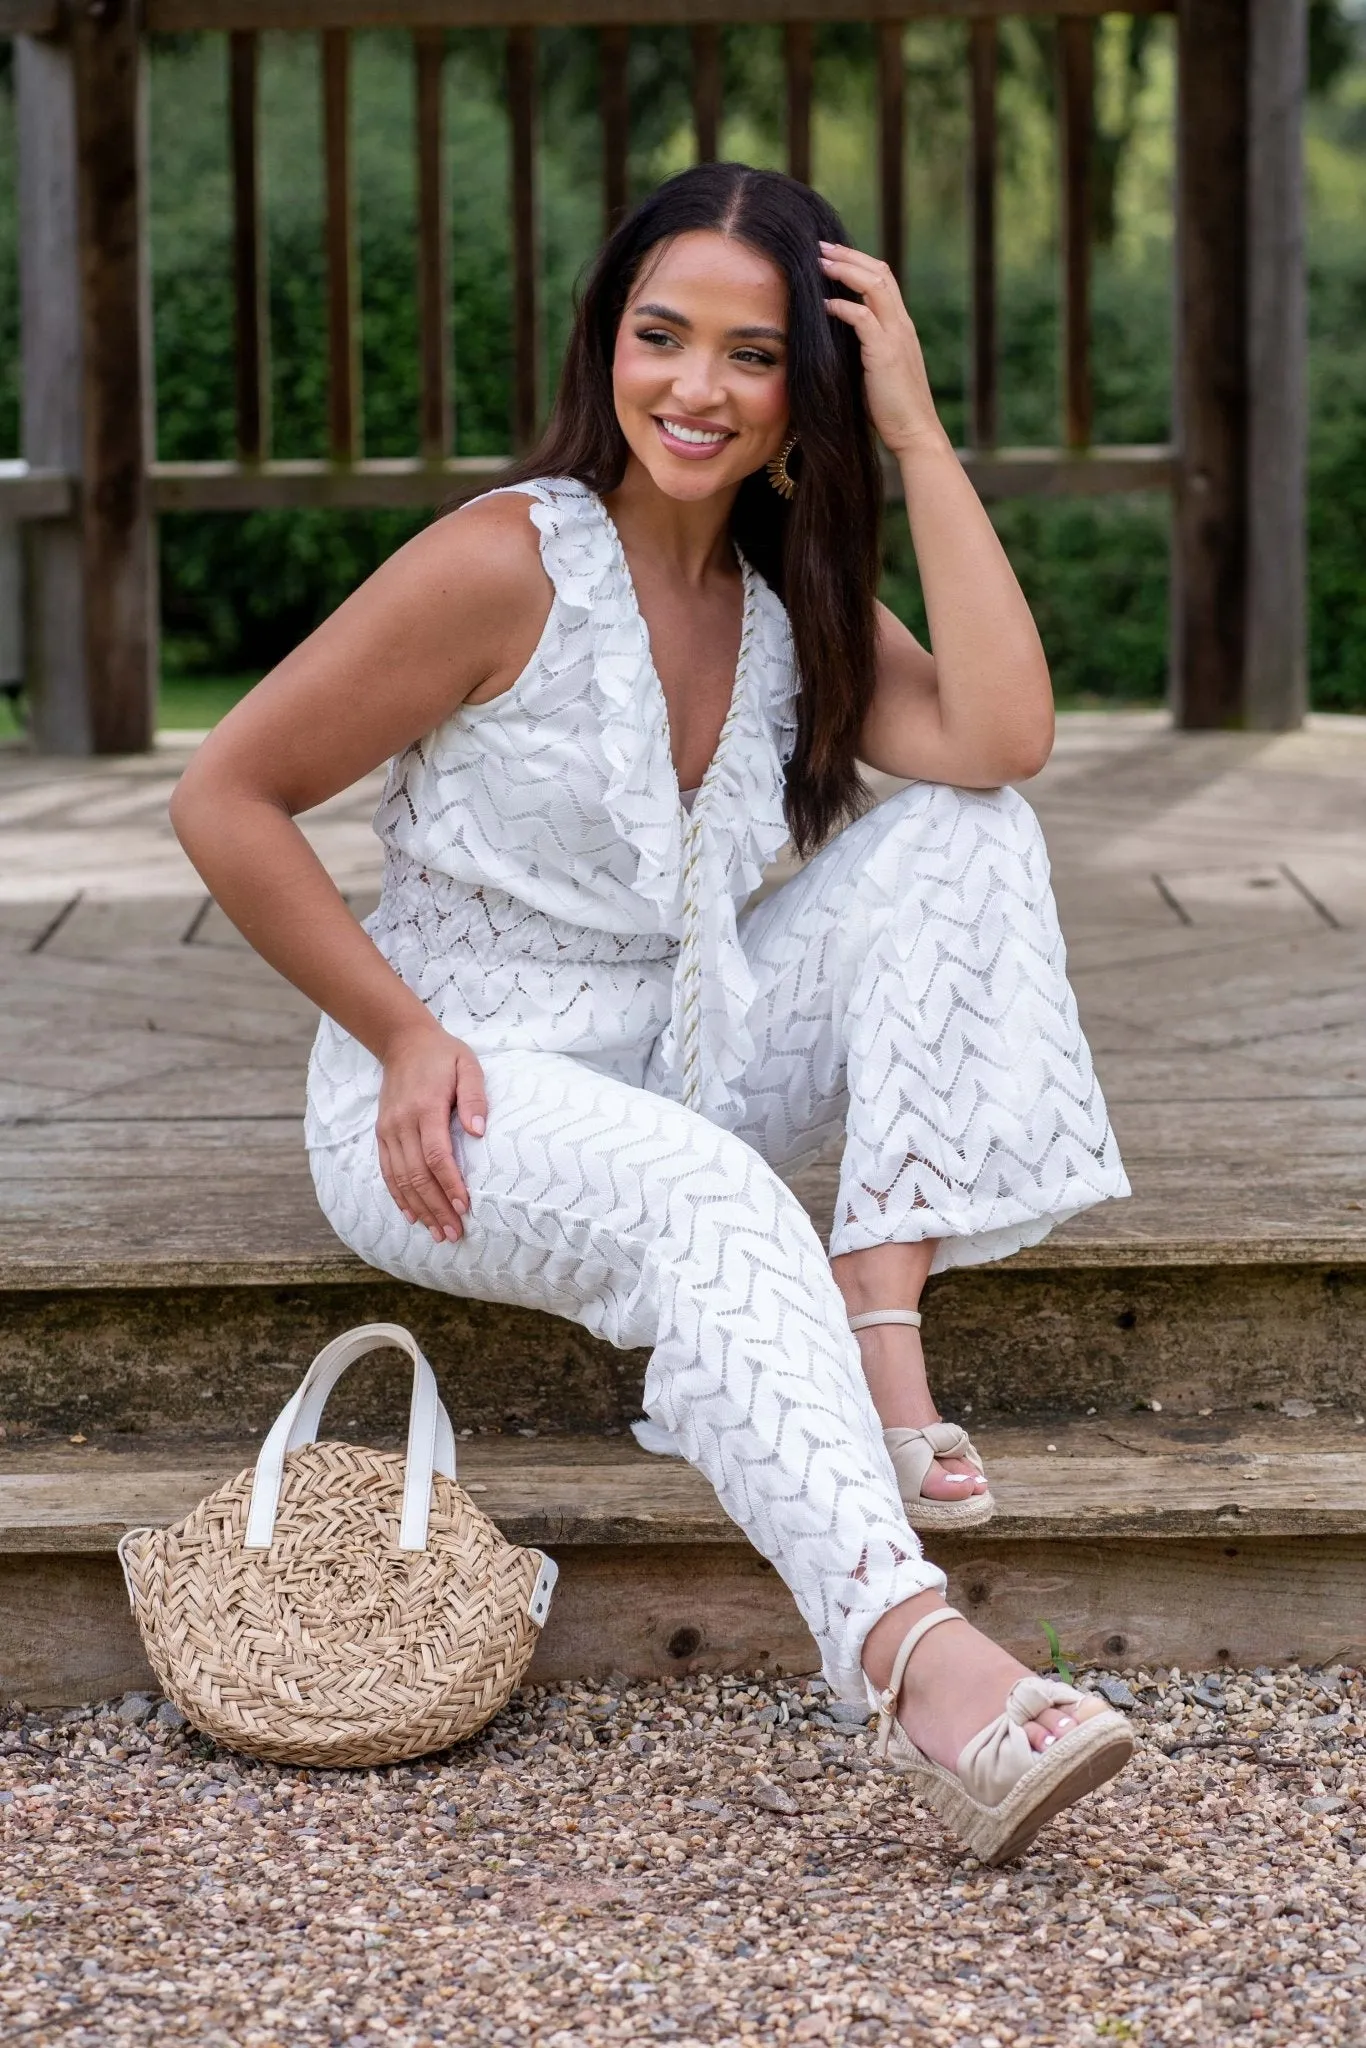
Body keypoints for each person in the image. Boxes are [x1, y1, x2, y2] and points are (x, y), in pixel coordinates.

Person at [171, 162, 1134, 1863]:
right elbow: (228, 796)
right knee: (707, 1198)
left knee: (967, 832)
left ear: (798, 401)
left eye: (751, 357)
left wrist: (914, 436)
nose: (694, 388)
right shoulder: (499, 565)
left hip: (684, 1059)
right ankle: (921, 1662)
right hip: (454, 1092)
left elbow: (1000, 737)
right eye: (658, 336)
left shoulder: (785, 608)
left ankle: (873, 1289)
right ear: (605, 345)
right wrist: (398, 1031)